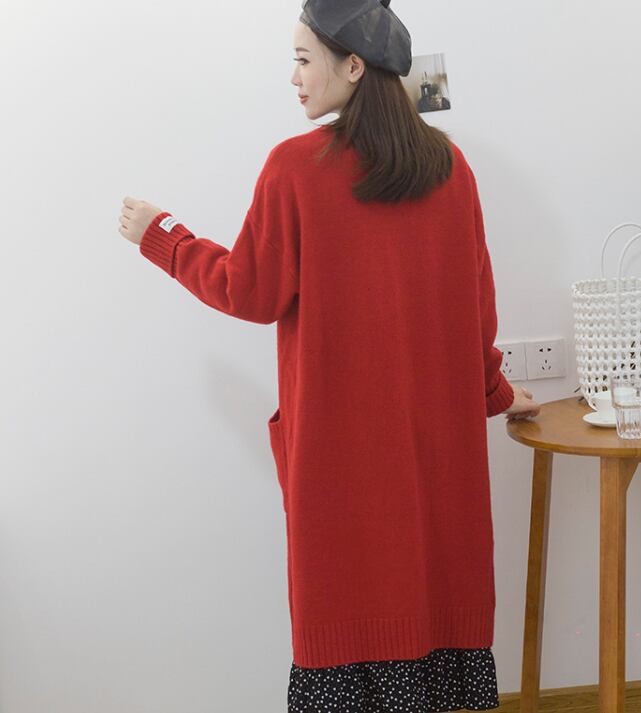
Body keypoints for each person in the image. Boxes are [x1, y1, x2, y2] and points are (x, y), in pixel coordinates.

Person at [119, 1, 541, 710]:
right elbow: (477, 313)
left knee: (346, 628)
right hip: (436, 458)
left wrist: (162, 234)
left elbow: (248, 289)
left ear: (351, 66)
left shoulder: (295, 168)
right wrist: (497, 395)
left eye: (302, 59)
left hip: (339, 467)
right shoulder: (449, 166)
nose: (293, 76)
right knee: (435, 617)